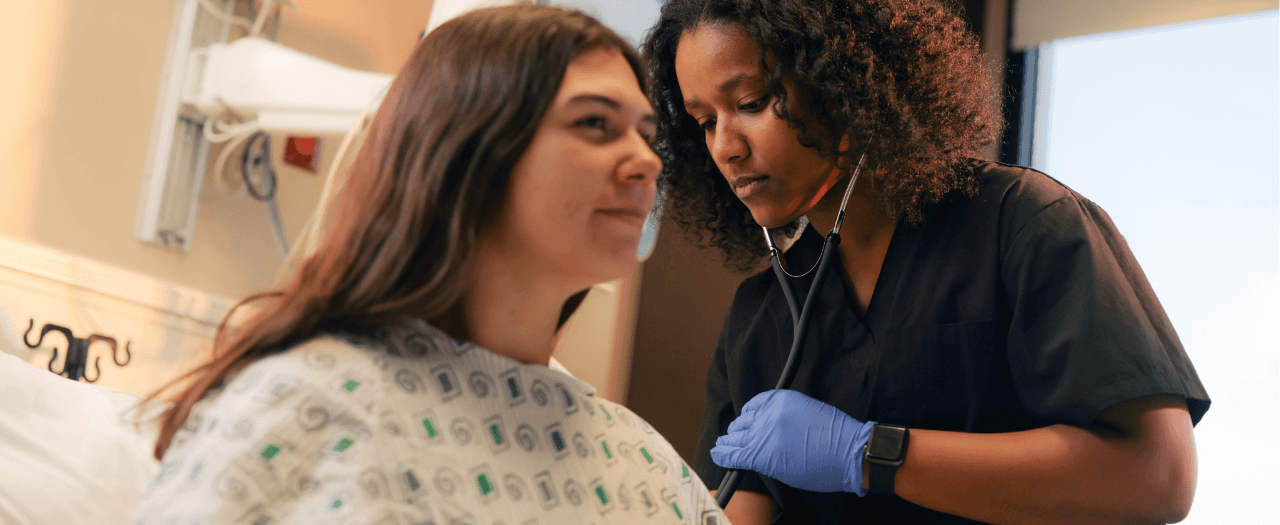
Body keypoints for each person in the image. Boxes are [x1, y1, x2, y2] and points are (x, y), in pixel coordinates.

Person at [134, 6, 727, 525]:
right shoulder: (306, 407)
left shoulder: (644, 465)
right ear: (467, 153)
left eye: (646, 134)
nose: (646, 161)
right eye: (594, 123)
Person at [642, 0, 1211, 523]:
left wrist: (868, 454)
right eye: (706, 121)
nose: (726, 147)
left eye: (750, 103)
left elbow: (1159, 477)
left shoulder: (1025, 224)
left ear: (841, 80)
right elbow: (737, 508)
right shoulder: (760, 318)